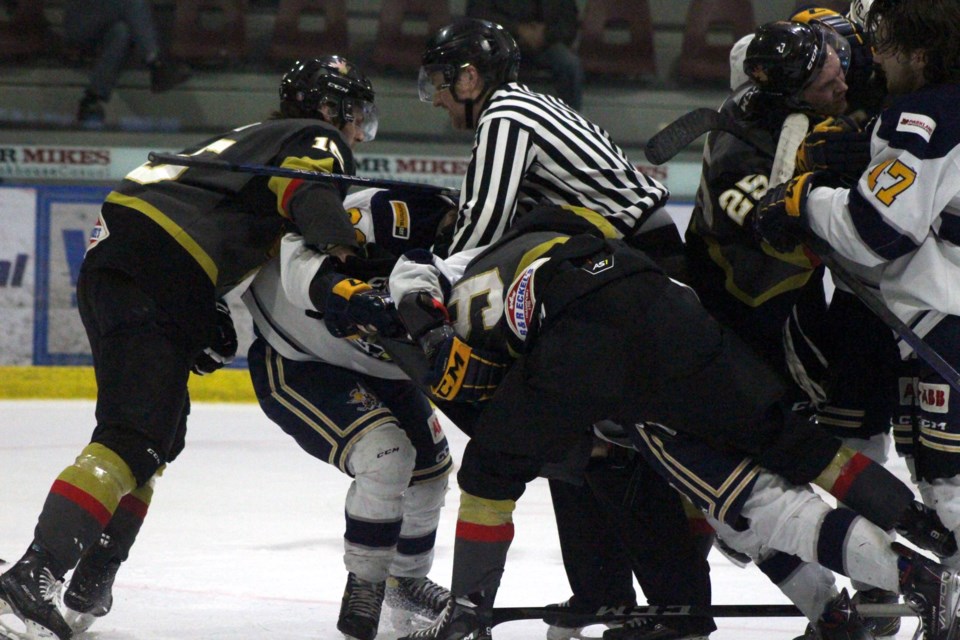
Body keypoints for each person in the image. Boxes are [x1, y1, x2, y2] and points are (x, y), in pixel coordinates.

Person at [366, 204, 960, 640]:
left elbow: (412, 285)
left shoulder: (438, 269)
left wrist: (429, 329)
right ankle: (930, 537)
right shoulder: (551, 225)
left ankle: (470, 611)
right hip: (670, 306)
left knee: (492, 476)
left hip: (585, 346)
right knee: (798, 446)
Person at [0, 55, 377, 640]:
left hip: (119, 257)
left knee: (159, 431)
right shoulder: (315, 136)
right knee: (133, 435)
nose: (356, 131)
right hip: (158, 260)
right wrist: (346, 249)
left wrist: (203, 308)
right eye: (354, 115)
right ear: (329, 109)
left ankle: (91, 578)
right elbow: (305, 186)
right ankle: (36, 572)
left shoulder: (247, 139)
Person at [753, 0, 960, 603]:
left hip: (945, 322)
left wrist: (803, 200)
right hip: (937, 320)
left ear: (919, 52)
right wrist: (869, 145)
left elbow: (877, 234)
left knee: (948, 486)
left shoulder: (928, 112)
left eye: (889, 46)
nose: (879, 58)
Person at [241, 187, 457, 640]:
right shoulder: (377, 216)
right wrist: (340, 291)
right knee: (387, 455)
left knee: (432, 471)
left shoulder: (471, 258)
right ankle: (366, 584)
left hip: (382, 367)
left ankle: (407, 583)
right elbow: (295, 256)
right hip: (300, 359)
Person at [418, 17, 672, 258]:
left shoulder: (505, 118)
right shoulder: (536, 103)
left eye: (439, 85)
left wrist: (436, 277)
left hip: (640, 252)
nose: (437, 101)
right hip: (650, 240)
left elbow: (482, 230)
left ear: (468, 78)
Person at [63, 0, 191, 127]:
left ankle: (92, 98)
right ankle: (155, 63)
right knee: (134, 2)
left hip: (106, 24)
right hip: (79, 19)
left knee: (121, 32)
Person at [465, 0, 583, 111]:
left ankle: (569, 123)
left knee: (570, 64)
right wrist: (518, 29)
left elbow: (569, 20)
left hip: (545, 43)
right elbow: (477, 15)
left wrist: (544, 35)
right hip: (501, 41)